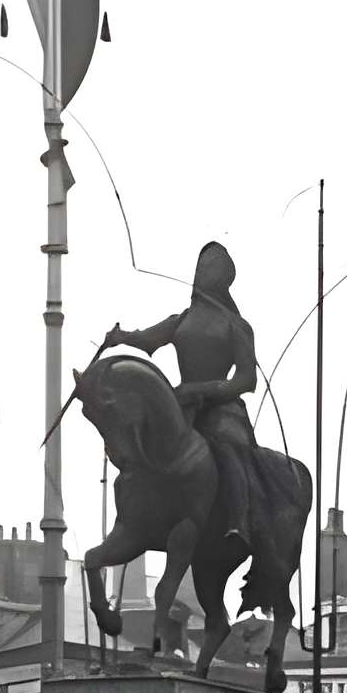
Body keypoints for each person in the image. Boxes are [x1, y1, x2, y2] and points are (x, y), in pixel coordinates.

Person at [106, 240, 264, 560]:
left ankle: (239, 520)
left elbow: (247, 379)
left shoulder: (236, 326)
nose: (203, 272)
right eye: (201, 266)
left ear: (223, 277)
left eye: (211, 268)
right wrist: (122, 338)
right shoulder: (182, 320)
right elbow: (147, 338)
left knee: (227, 446)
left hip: (221, 410)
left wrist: (206, 389)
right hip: (183, 407)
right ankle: (138, 517)